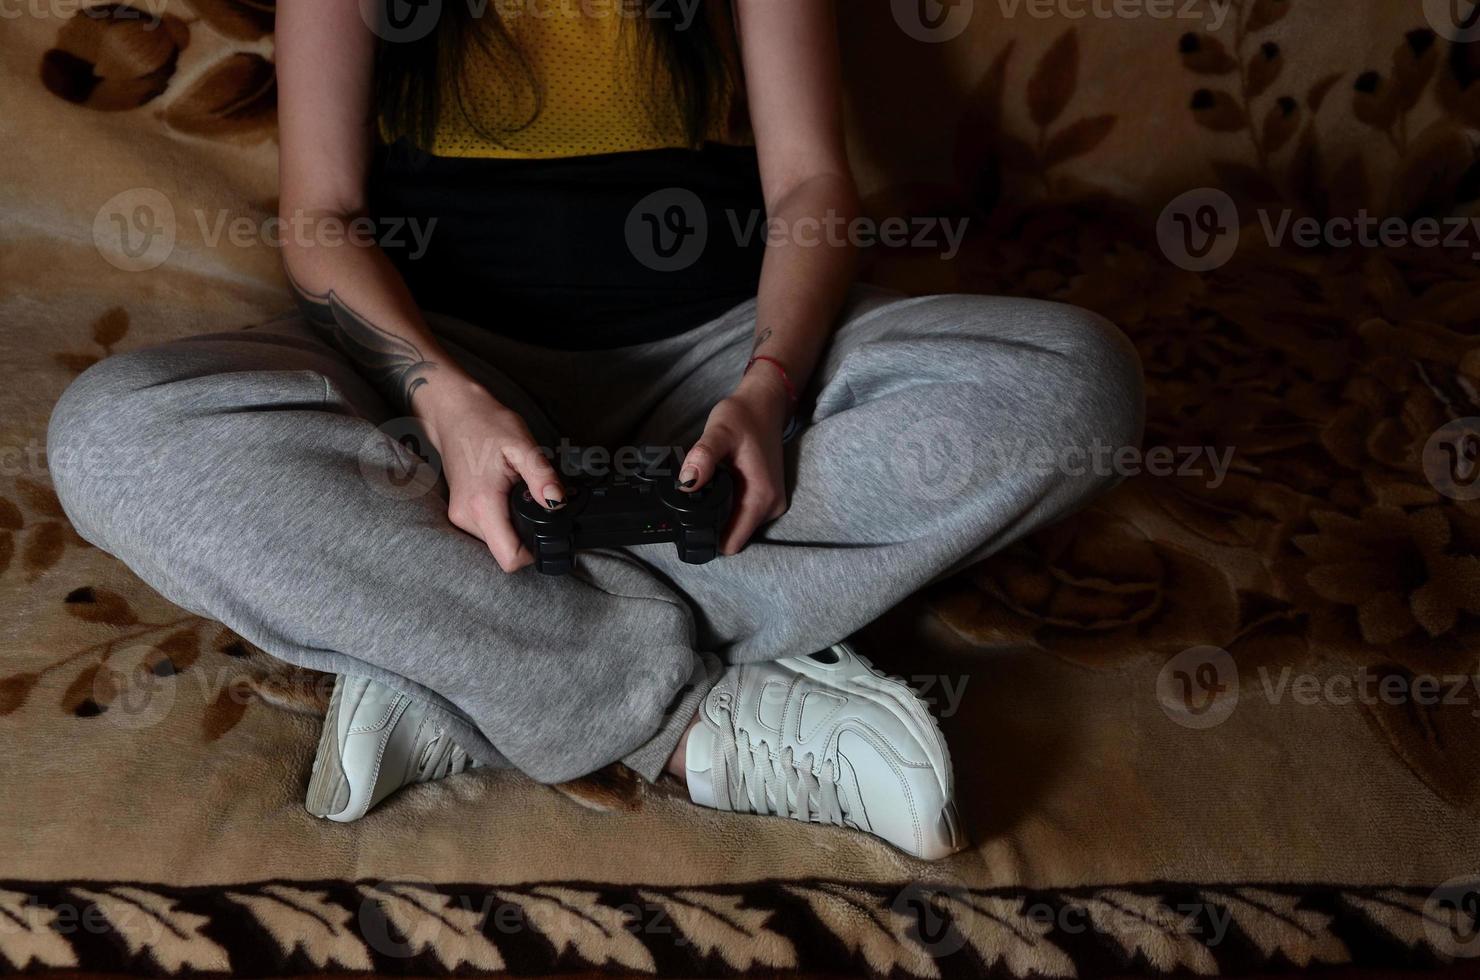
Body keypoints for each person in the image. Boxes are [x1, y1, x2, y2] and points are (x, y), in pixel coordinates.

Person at [48, 0, 1143, 861]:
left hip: (714, 363)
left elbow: (810, 182)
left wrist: (766, 387)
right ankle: (674, 717)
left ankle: (457, 652)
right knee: (112, 435)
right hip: (434, 385)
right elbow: (319, 216)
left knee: (1070, 382)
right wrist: (444, 395)